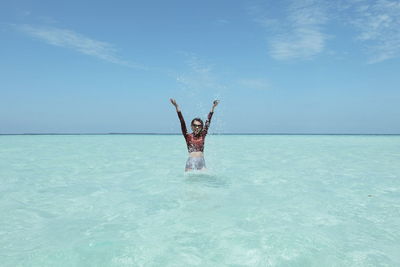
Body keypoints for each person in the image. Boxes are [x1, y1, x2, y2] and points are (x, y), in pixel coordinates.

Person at [170, 98, 219, 171]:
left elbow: (208, 121)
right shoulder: (188, 136)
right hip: (190, 162)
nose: (197, 127)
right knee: (189, 182)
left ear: (201, 127)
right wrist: (176, 106)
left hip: (201, 162)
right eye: (195, 125)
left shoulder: (203, 134)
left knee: (205, 181)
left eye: (199, 126)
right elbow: (182, 122)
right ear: (191, 126)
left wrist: (213, 107)